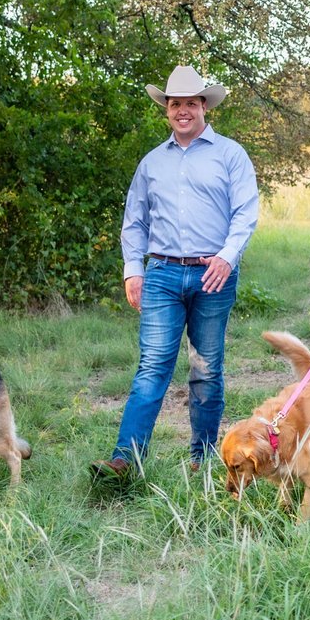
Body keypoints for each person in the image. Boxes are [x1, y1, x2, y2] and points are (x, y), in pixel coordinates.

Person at [93, 66, 259, 478]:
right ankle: (124, 461)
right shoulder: (151, 163)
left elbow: (245, 213)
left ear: (204, 106)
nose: (182, 111)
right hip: (163, 274)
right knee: (152, 366)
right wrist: (134, 271)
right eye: (174, 104)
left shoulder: (230, 154)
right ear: (166, 109)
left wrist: (227, 256)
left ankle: (202, 459)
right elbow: (134, 222)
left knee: (206, 370)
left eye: (190, 103)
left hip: (213, 275)